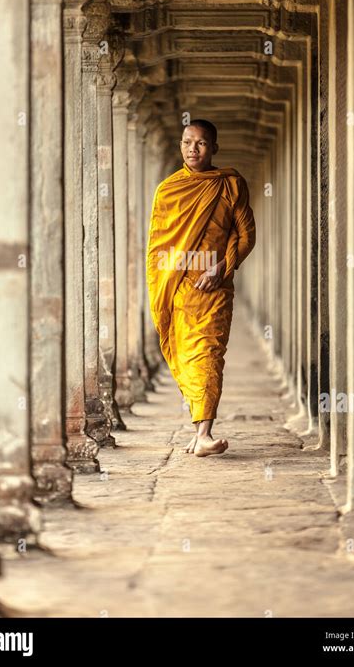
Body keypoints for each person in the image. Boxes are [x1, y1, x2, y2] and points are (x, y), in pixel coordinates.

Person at [146, 119, 256, 456]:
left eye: (202, 143)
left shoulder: (230, 184)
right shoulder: (169, 190)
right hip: (181, 288)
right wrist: (169, 277)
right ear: (180, 146)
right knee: (187, 356)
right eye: (187, 142)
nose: (193, 149)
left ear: (214, 149)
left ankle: (204, 432)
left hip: (214, 288)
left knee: (208, 354)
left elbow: (246, 235)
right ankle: (199, 432)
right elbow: (159, 245)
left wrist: (222, 266)